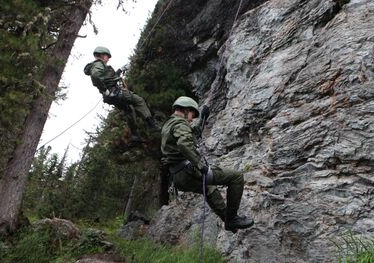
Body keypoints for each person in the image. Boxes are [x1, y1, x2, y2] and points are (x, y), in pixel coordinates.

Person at [161, 96, 254, 233]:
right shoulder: (180, 124)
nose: (192, 119)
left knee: (209, 189)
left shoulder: (170, 124)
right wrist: (200, 165)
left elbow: (191, 135)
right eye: (192, 114)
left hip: (177, 176)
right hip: (187, 172)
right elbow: (183, 143)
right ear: (186, 110)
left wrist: (203, 120)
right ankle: (232, 218)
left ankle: (228, 221)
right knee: (236, 177)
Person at [84, 46, 160, 140]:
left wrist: (120, 70)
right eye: (107, 56)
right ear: (102, 55)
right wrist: (105, 90)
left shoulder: (97, 66)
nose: (108, 59)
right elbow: (96, 76)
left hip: (111, 96)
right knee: (139, 101)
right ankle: (152, 125)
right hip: (115, 92)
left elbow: (108, 79)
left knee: (128, 110)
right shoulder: (99, 64)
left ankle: (135, 134)